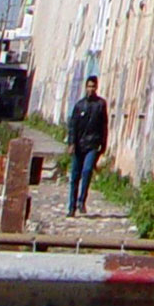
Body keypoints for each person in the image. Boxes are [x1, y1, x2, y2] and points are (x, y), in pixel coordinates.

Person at [66, 78, 108, 216]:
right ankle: (71, 207)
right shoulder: (79, 105)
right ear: (85, 87)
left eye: (93, 87)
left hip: (92, 144)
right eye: (89, 86)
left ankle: (81, 201)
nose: (91, 89)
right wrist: (71, 143)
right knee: (75, 176)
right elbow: (73, 126)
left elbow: (104, 126)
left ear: (96, 88)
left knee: (87, 171)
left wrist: (103, 145)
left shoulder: (100, 104)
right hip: (79, 144)